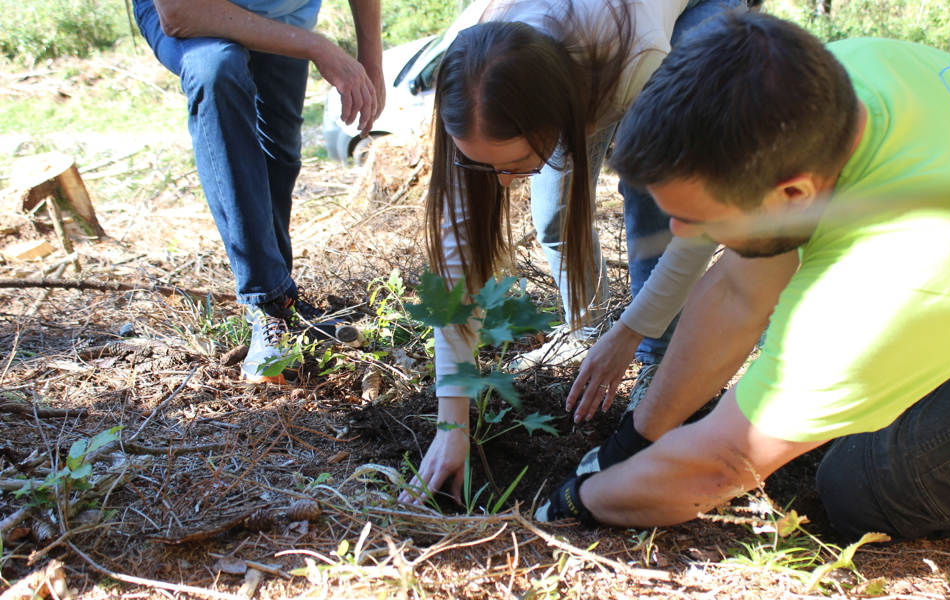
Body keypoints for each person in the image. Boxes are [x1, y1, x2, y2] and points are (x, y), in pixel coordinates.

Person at [535, 10, 950, 543]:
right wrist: (632, 444)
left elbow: (723, 465)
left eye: (701, 219)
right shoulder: (847, 75)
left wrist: (577, 501)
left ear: (792, 195)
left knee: (857, 486)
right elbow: (736, 292)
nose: (681, 234)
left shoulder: (892, 282)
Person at [402, 0, 745, 504]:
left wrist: (631, 330)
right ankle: (586, 330)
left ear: (561, 116)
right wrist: (451, 424)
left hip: (676, 14)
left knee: (652, 187)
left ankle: (659, 357)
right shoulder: (470, 76)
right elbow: (457, 257)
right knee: (555, 218)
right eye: (483, 166)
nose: (501, 183)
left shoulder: (637, 61)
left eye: (516, 161)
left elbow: (699, 220)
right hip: (574, 50)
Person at [133, 0, 384, 383]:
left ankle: (284, 303)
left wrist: (371, 60)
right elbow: (180, 12)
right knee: (215, 70)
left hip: (284, 15)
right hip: (196, 13)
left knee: (278, 157)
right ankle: (267, 303)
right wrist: (318, 46)